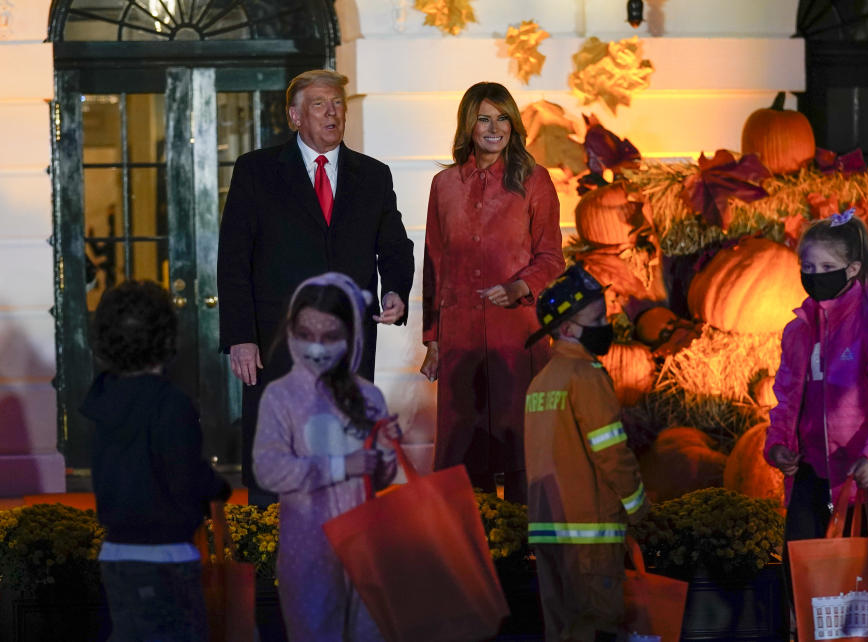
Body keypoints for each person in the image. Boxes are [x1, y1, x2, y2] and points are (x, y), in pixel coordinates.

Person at [218, 69, 415, 506]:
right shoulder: (256, 171)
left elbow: (396, 246)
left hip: (350, 345)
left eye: (338, 104)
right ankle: (271, 554)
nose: (333, 113)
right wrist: (240, 337)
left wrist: (396, 290)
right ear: (294, 116)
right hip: (275, 342)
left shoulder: (373, 176)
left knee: (347, 453)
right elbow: (233, 260)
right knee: (277, 453)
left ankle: (350, 556)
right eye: (320, 104)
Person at [420, 81, 564, 503]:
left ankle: (526, 556)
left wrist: (520, 285)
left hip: (516, 339)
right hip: (461, 342)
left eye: (502, 118)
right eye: (484, 118)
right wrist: (432, 341)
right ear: (468, 125)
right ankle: (475, 557)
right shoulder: (444, 185)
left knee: (522, 452)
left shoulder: (534, 181)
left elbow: (552, 257)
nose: (494, 128)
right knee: (465, 460)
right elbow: (434, 265)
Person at [764, 209, 868, 602]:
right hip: (812, 470)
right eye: (807, 265)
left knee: (851, 582)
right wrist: (779, 444)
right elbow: (786, 398)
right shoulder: (797, 332)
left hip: (861, 474)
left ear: (851, 269)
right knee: (799, 572)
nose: (815, 274)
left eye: (826, 266)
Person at [253, 273, 402, 642]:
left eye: (330, 336)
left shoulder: (368, 397)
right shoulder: (280, 396)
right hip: (308, 551)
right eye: (306, 334)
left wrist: (385, 448)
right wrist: (339, 467)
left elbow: (381, 477)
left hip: (365, 552)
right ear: (291, 330)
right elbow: (268, 469)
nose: (316, 347)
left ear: (351, 336)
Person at [81, 280, 232, 641]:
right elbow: (184, 474)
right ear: (166, 338)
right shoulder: (170, 404)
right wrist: (217, 486)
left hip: (116, 551)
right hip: (166, 554)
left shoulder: (101, 398)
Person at [524, 265, 648, 642]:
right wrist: (638, 506)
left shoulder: (540, 383)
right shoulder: (587, 376)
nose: (605, 325)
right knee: (595, 627)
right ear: (566, 329)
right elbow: (611, 453)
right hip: (589, 536)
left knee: (561, 632)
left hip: (547, 532)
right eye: (597, 319)